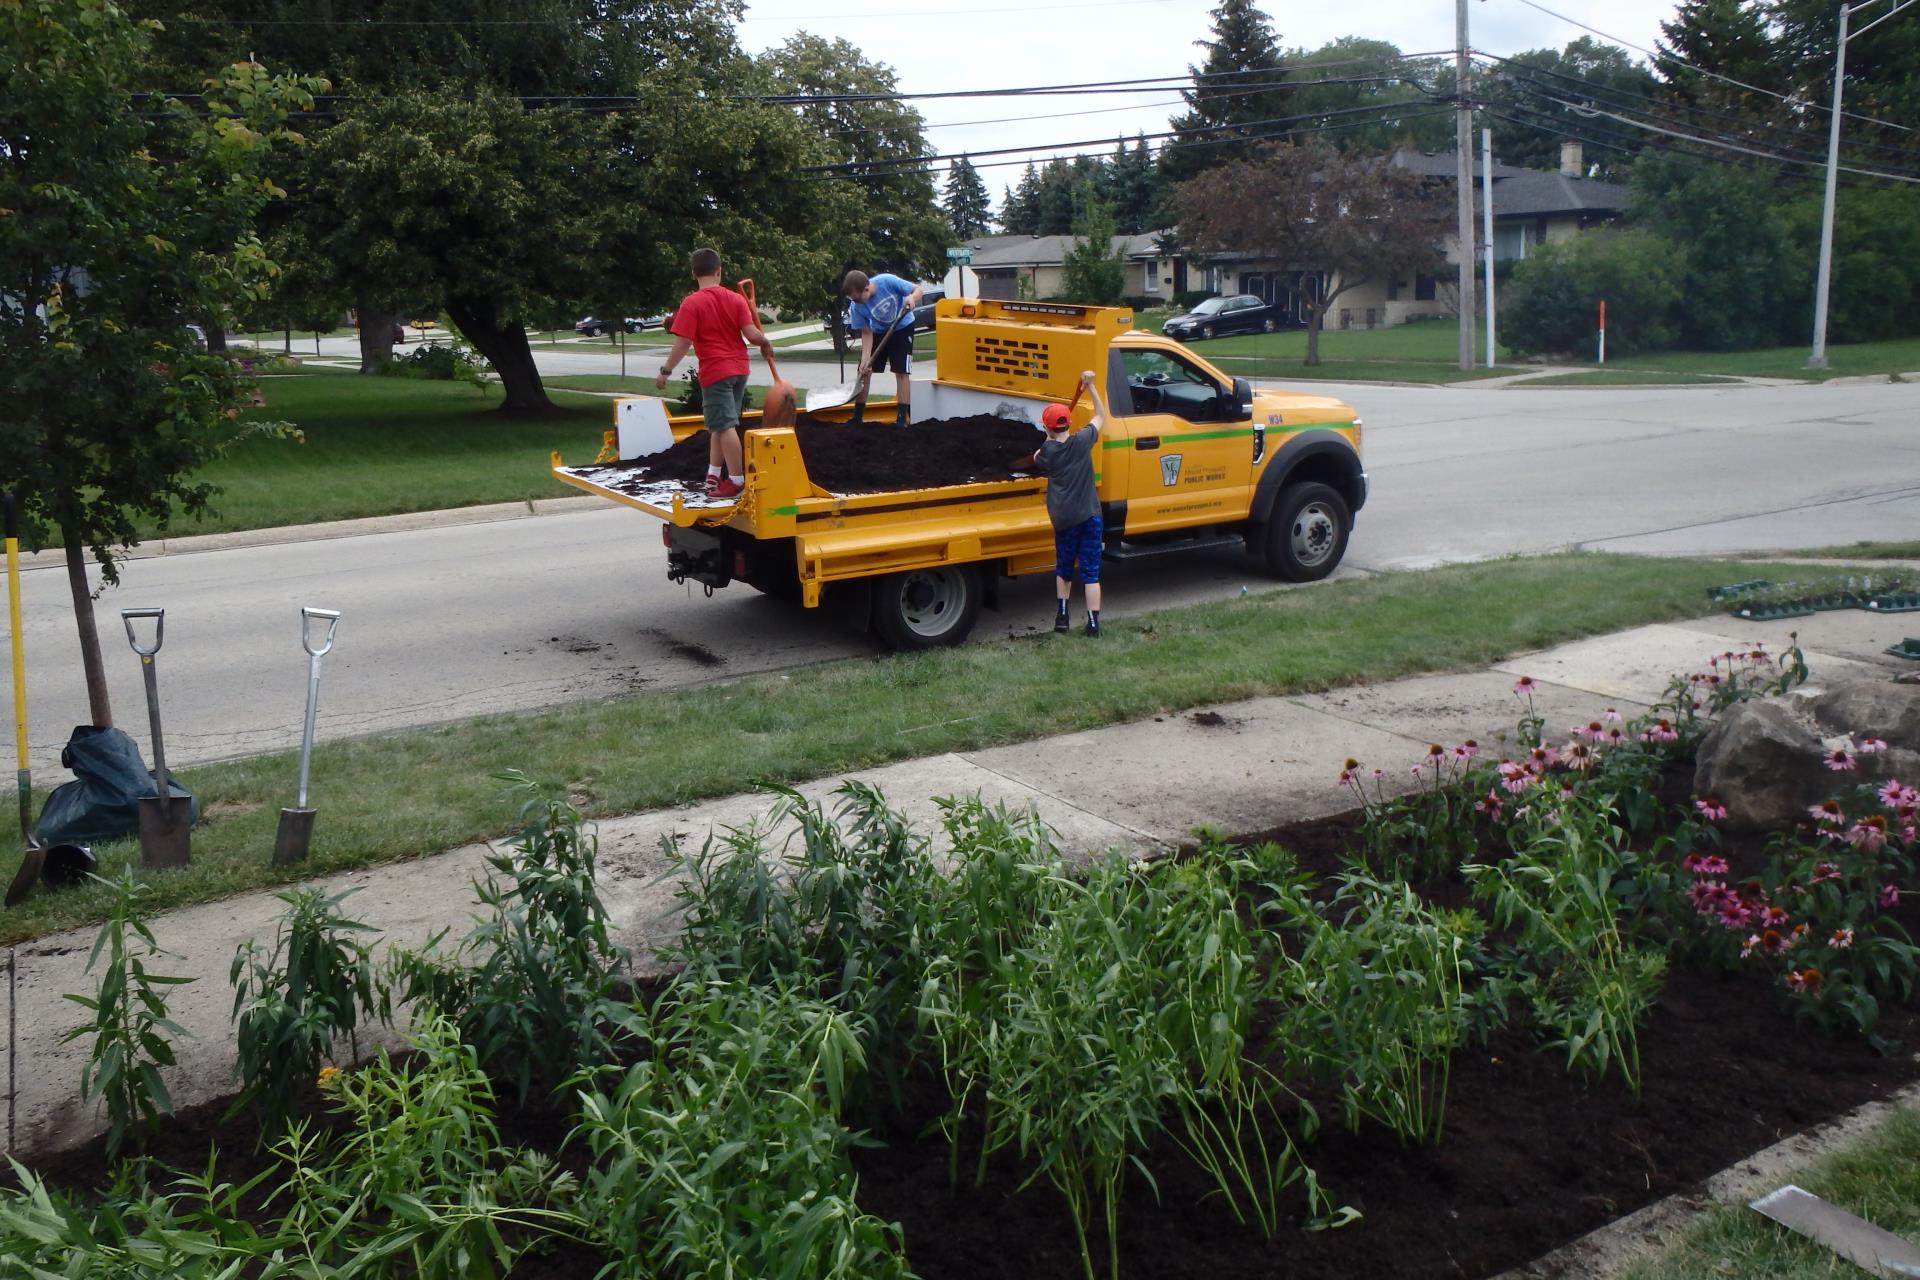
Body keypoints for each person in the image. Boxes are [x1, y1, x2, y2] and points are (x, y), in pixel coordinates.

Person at [654, 248, 777, 500]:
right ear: (719, 270)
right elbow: (752, 334)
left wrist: (666, 370)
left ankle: (736, 480)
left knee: (724, 425)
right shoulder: (735, 299)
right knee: (719, 425)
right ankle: (713, 473)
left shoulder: (692, 303)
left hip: (716, 372)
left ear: (693, 273)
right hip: (740, 370)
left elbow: (683, 342)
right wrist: (765, 342)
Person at [1012, 370, 1108, 637]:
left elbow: (1038, 454)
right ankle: (1092, 624)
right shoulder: (1083, 441)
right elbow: (1101, 416)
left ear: (1046, 427)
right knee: (1091, 573)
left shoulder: (1046, 455)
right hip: (1089, 516)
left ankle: (1062, 616)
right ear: (1069, 423)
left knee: (1064, 568)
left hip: (1064, 520)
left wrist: (1047, 437)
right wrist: (1090, 386)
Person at [841, 269, 922, 427]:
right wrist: (865, 360)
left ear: (866, 288)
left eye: (857, 298)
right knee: (864, 371)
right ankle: (857, 418)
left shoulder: (887, 281)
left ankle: (901, 420)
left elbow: (918, 289)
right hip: (877, 331)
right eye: (853, 300)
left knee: (901, 372)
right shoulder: (856, 307)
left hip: (902, 327)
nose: (856, 302)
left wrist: (912, 298)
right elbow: (866, 332)